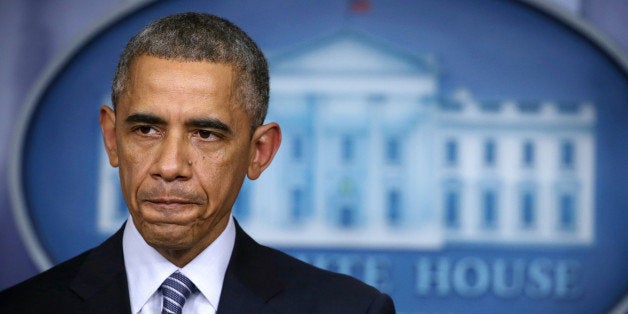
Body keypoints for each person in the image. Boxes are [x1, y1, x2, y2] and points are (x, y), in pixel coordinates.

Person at [0, 12, 395, 313]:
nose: (170, 166)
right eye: (146, 130)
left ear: (259, 152)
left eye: (205, 134)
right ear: (111, 138)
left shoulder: (348, 309)